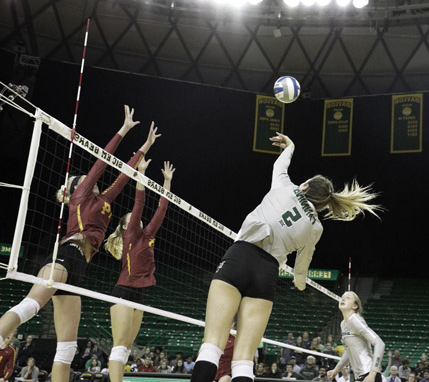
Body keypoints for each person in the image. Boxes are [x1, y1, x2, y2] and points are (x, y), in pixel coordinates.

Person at [191, 132, 381, 382]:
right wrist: (300, 282)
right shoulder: (316, 229)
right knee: (244, 359)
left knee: (213, 344)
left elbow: (279, 164)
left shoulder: (285, 186)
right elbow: (301, 269)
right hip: (267, 274)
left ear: (304, 186)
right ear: (324, 205)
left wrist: (290, 146)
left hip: (241, 256)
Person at [0, 106, 160, 382]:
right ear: (75, 188)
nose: (89, 177)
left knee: (67, 348)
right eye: (83, 178)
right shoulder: (81, 196)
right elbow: (104, 160)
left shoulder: (104, 202)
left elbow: (123, 174)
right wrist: (123, 130)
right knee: (32, 304)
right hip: (66, 254)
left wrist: (144, 147)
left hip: (79, 270)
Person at [106, 159, 174, 382]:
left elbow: (162, 208)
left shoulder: (149, 236)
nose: (139, 220)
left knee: (127, 348)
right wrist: (140, 174)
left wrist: (166, 181)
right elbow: (139, 203)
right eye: (133, 221)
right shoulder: (131, 235)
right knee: (119, 345)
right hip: (123, 290)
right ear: (126, 226)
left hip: (139, 294)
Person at [327, 292, 386, 382]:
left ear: (355, 306)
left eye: (348, 297)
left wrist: (372, 374)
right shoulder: (343, 324)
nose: (343, 299)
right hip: (360, 376)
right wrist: (336, 370)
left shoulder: (355, 319)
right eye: (342, 297)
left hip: (369, 374)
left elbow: (380, 344)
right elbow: (349, 350)